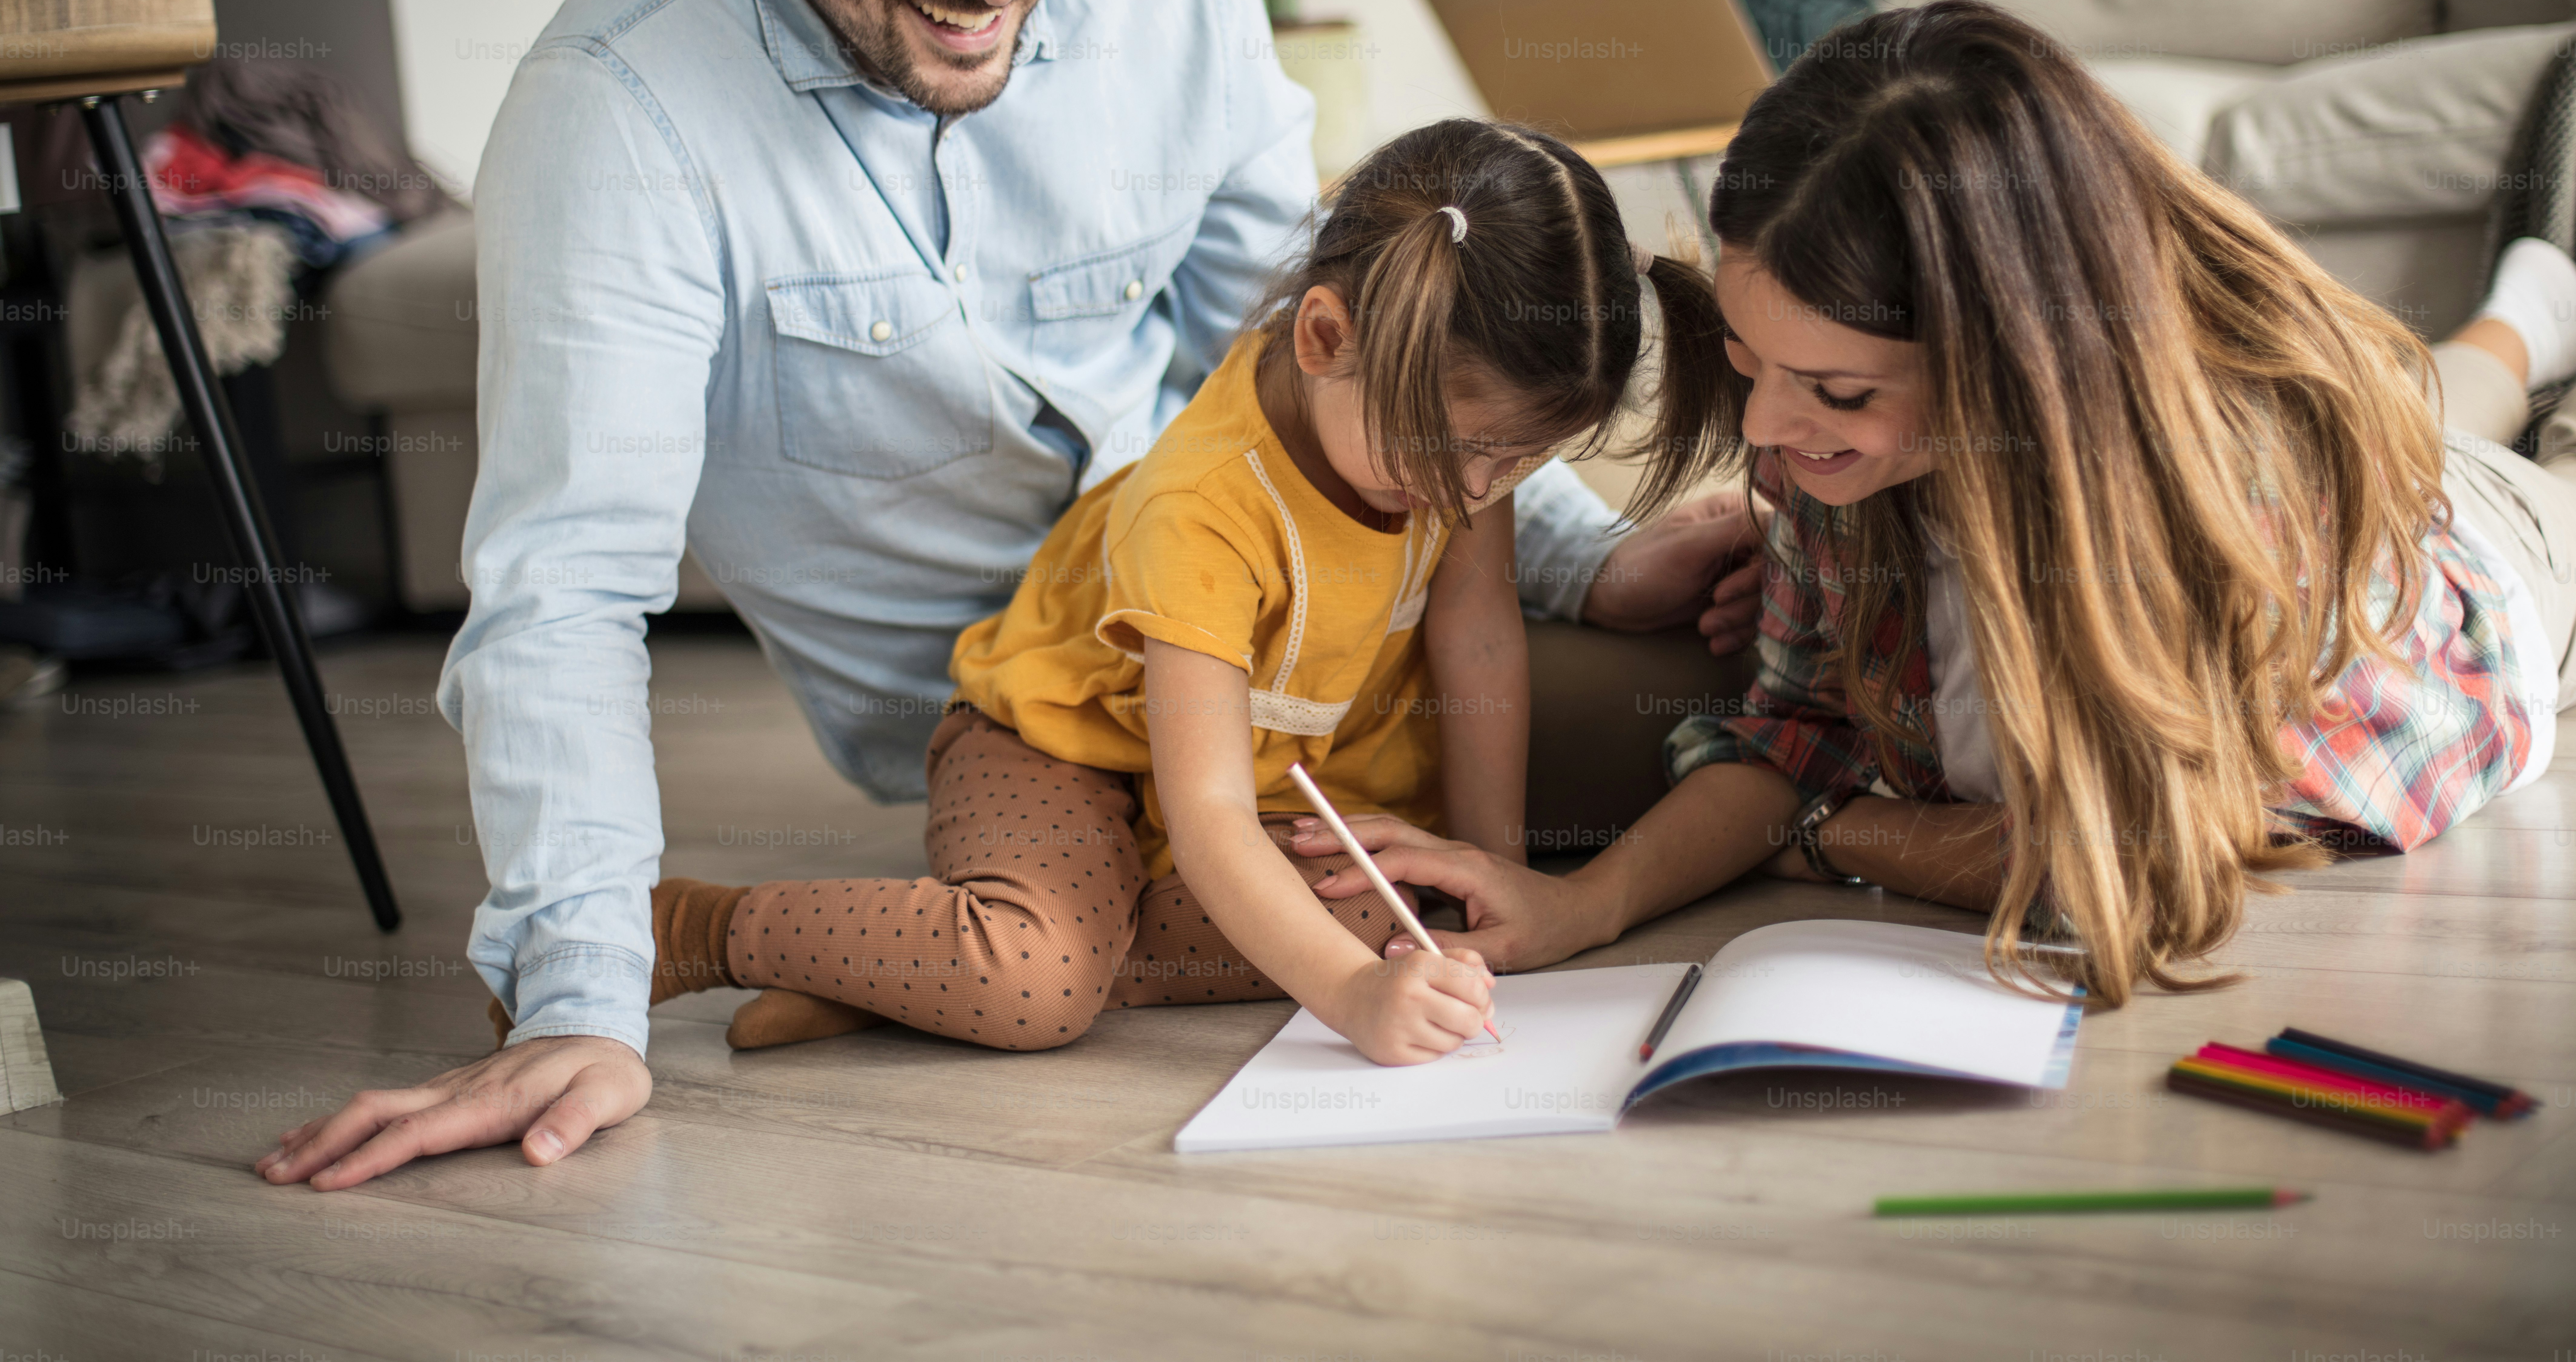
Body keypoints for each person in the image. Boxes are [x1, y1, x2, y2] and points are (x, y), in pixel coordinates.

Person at [254, 0, 1754, 1193]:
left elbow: (1345, 348)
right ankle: (852, 943)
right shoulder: (619, 116)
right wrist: (582, 997)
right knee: (1109, 947)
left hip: (1287, 673)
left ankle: (911, 971)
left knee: (1658, 766)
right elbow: (565, 584)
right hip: (1023, 721)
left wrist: (1584, 560)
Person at [1297, 0, 2576, 1009]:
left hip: (2501, 580)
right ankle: (2522, 311)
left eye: (1834, 389)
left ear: (2013, 363)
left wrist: (1823, 831)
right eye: (1753, 367)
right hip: (2355, 449)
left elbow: (2110, 873)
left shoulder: (2234, 512)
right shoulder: (1830, 455)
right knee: (2425, 395)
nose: (1759, 433)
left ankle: (2546, 317)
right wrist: (1580, 905)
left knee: (2572, 470)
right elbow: (1797, 728)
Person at [615, 120, 1740, 1063]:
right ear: (1323, 336)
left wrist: (1492, 866)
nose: (1480, 492)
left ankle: (913, 968)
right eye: (1465, 458)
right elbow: (1205, 819)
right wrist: (1349, 1002)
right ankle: (717, 928)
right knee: (1045, 987)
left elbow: (1481, 640)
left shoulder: (1447, 428)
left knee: (1423, 916)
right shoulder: (1199, 509)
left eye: (1517, 466)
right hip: (1061, 748)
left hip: (1258, 778)